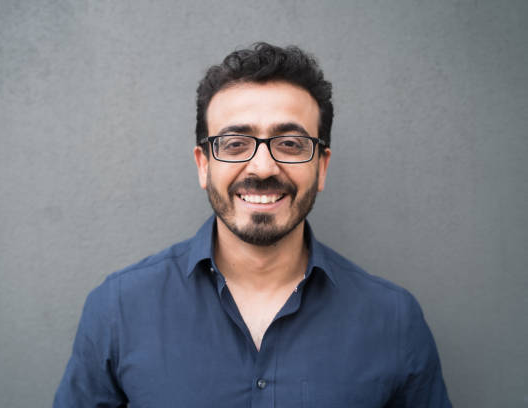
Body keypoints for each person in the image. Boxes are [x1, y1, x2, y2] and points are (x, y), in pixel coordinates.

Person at [54, 42, 451, 407]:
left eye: (291, 144)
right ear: (203, 165)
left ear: (322, 167)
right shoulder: (118, 309)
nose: (262, 167)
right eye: (235, 144)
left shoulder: (394, 319)